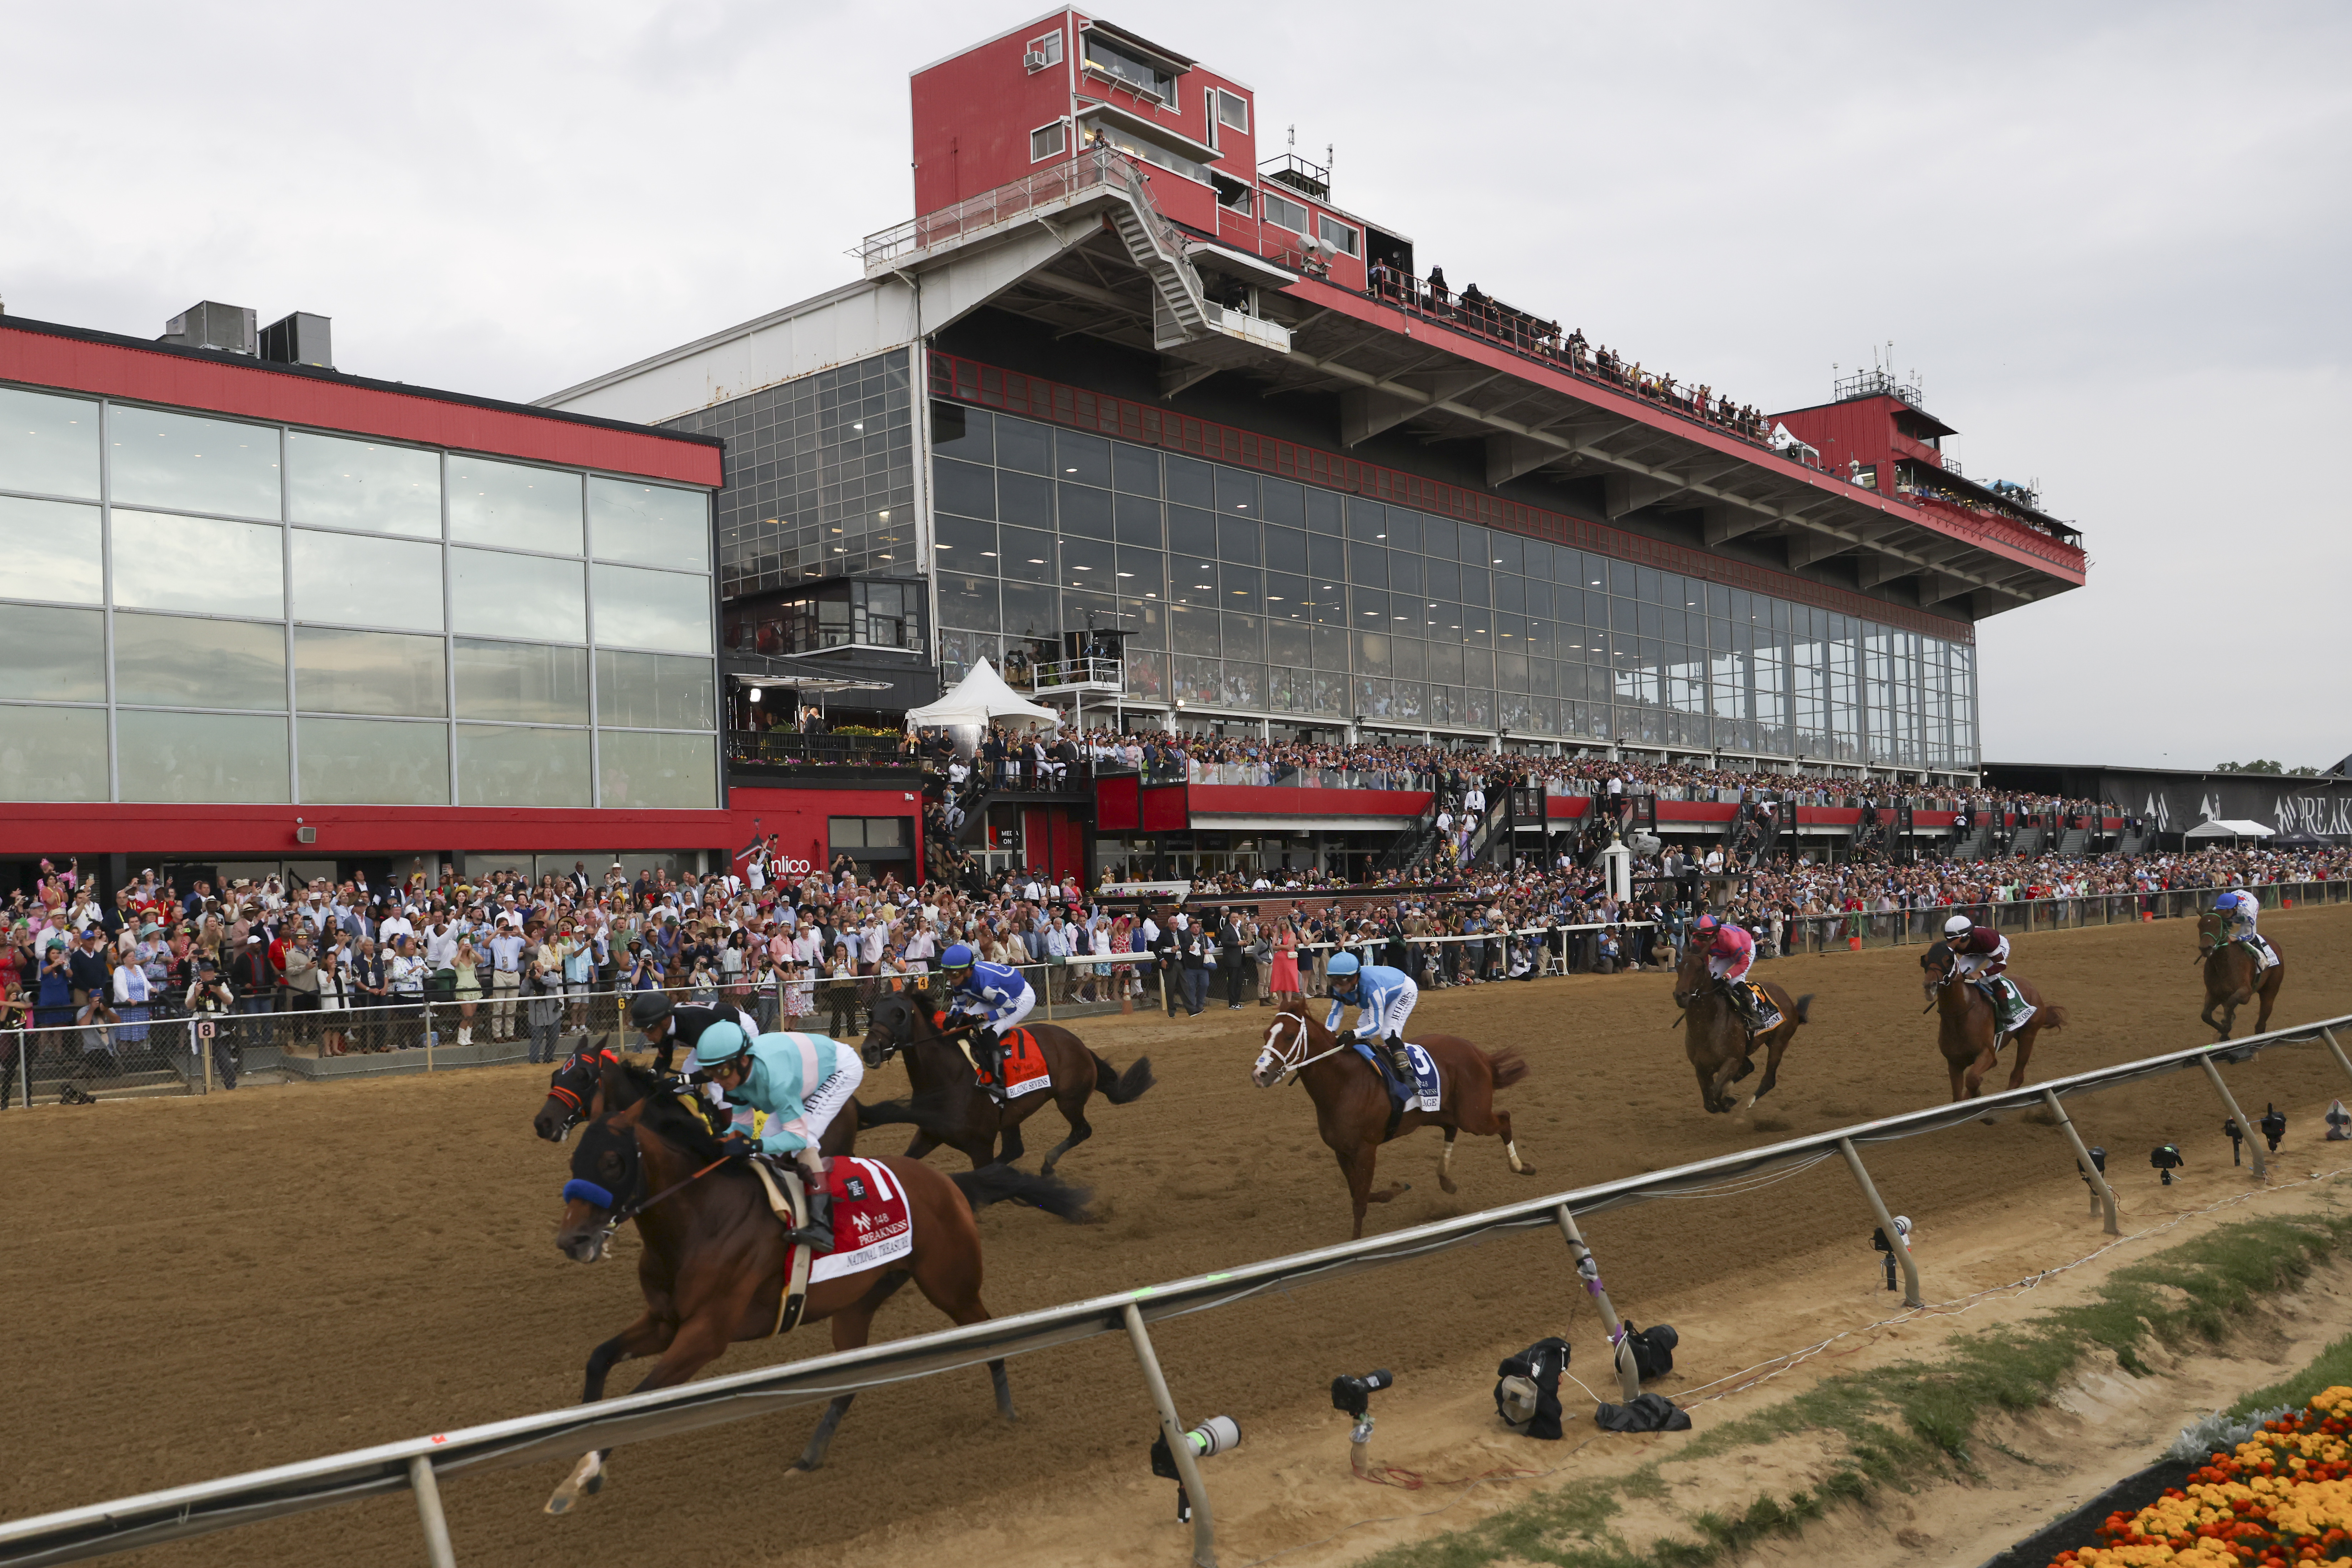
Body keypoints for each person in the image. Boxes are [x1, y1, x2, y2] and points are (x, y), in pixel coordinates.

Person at [688, 1021, 864, 1252]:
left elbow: (797, 1138)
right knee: (766, 1150)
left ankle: (822, 1224)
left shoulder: (776, 1079)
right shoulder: (734, 1077)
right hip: (797, 1071)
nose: (717, 1081)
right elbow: (743, 1127)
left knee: (806, 1136)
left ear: (743, 1061)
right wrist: (720, 1143)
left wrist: (753, 1144)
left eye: (721, 1072)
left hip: (840, 1068)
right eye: (711, 1073)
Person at [936, 941, 1035, 1103]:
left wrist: (983, 1018)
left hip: (1019, 998)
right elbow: (959, 1005)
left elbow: (1010, 1008)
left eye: (954, 975)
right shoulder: (959, 980)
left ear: (968, 970)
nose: (951, 979)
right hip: (993, 997)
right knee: (962, 1024)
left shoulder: (985, 985)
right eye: (947, 973)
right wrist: (953, 1017)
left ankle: (999, 1084)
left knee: (989, 1031)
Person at [1322, 951, 1418, 1083]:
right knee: (1363, 1032)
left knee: (1388, 1033)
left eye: (1342, 980)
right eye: (1334, 980)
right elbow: (1335, 1013)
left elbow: (1377, 1027)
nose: (1338, 986)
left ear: (1355, 978)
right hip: (1382, 991)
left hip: (1403, 991)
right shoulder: (1338, 988)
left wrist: (1352, 1034)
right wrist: (1328, 1034)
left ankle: (1409, 1078)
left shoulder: (1372, 988)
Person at [626, 990, 760, 1077]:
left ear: (665, 1021)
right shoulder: (666, 1025)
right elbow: (665, 1059)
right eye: (642, 1030)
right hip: (710, 1035)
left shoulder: (693, 1027)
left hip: (740, 1028)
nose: (646, 1034)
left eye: (649, 1029)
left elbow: (714, 1069)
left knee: (722, 1083)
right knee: (685, 1078)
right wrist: (653, 1073)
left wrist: (684, 1080)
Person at [1704, 922, 1765, 1034]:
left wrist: (1727, 976)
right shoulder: (1700, 940)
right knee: (1711, 975)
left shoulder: (1729, 939)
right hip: (1726, 950)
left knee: (1735, 980)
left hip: (1745, 949)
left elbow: (1743, 962)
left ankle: (1756, 1016)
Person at [2213, 889, 2278, 971]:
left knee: (2246, 935)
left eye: (2228, 911)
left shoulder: (2247, 914)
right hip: (2236, 898)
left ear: (2235, 908)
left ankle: (2262, 957)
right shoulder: (2217, 909)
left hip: (2252, 903)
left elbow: (2250, 935)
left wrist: (2237, 938)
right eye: (2221, 911)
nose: (2224, 914)